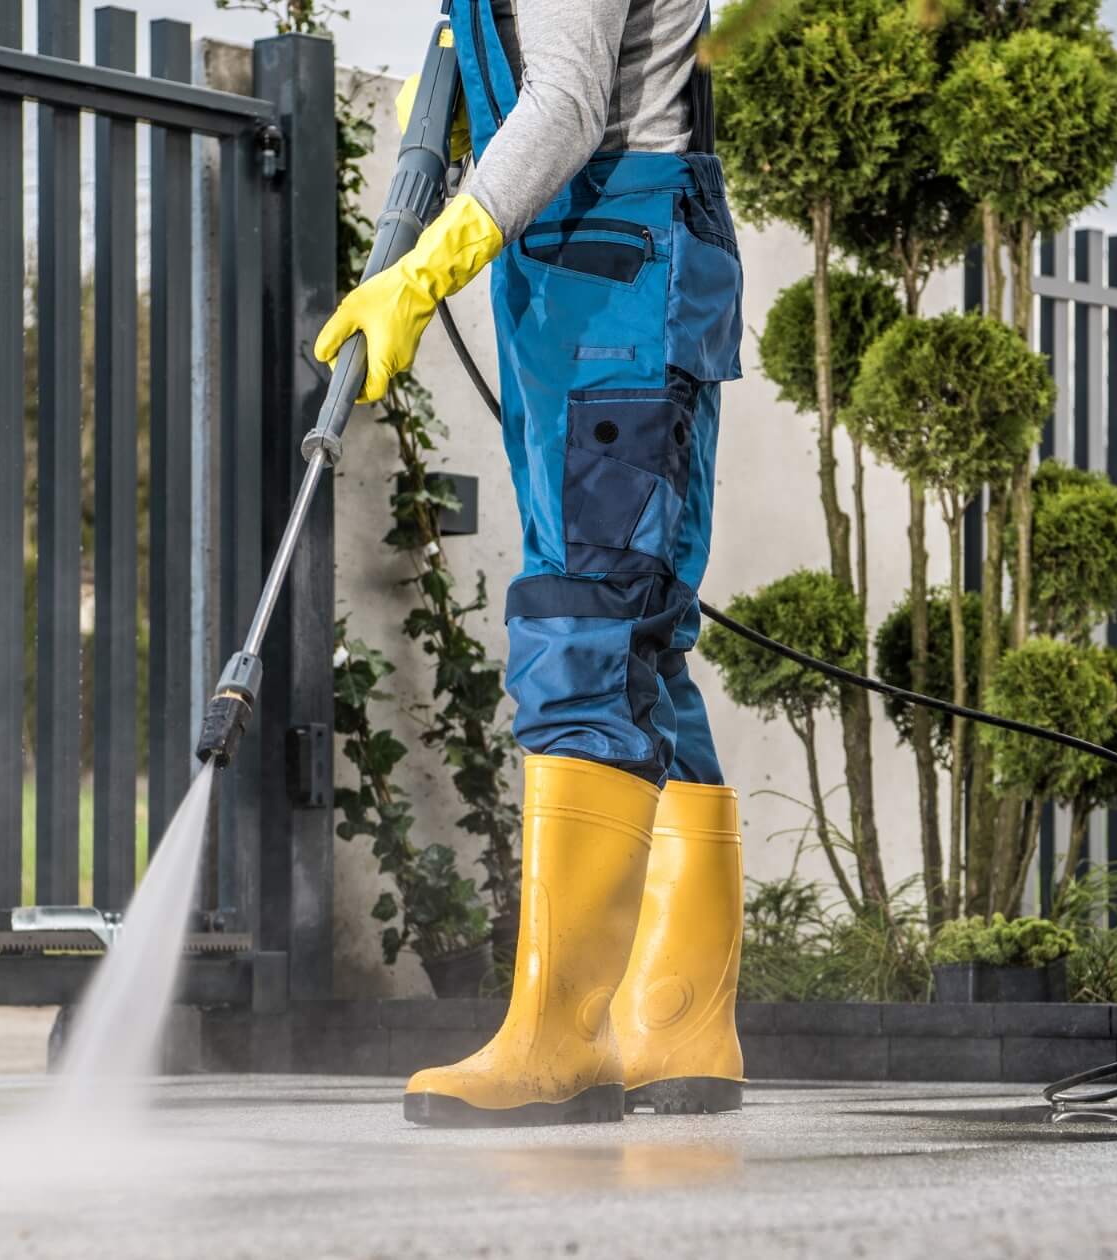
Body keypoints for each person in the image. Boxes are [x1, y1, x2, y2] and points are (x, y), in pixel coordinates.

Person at [314, 0, 746, 1128]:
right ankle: (679, 1024)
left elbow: (562, 104)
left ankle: (559, 1040)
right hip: (605, 273)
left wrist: (428, 265)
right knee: (645, 642)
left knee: (580, 624)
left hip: (612, 281)